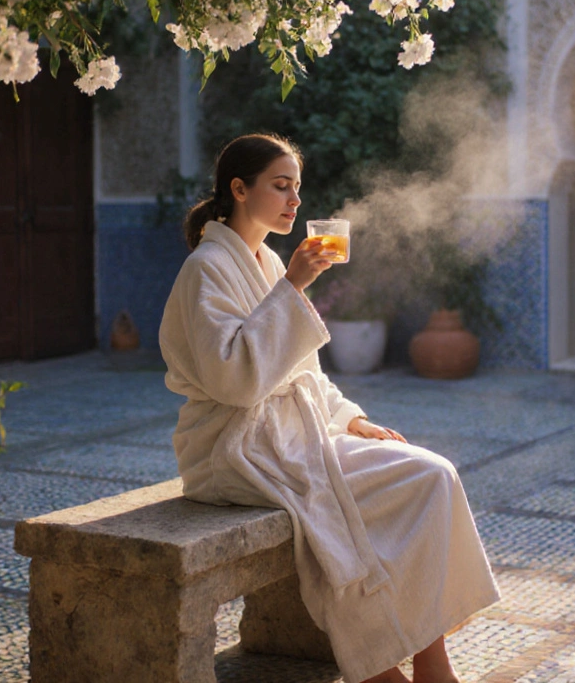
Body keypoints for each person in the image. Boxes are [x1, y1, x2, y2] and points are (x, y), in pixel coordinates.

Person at [158, 133, 500, 683]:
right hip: (231, 449)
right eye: (281, 186)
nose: (295, 200)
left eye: (297, 188)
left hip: (292, 434)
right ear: (239, 189)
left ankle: (433, 662)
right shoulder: (208, 268)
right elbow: (236, 381)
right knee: (381, 496)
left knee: (432, 475)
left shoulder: (265, 260)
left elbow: (302, 374)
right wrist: (296, 283)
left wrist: (351, 420)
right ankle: (379, 667)